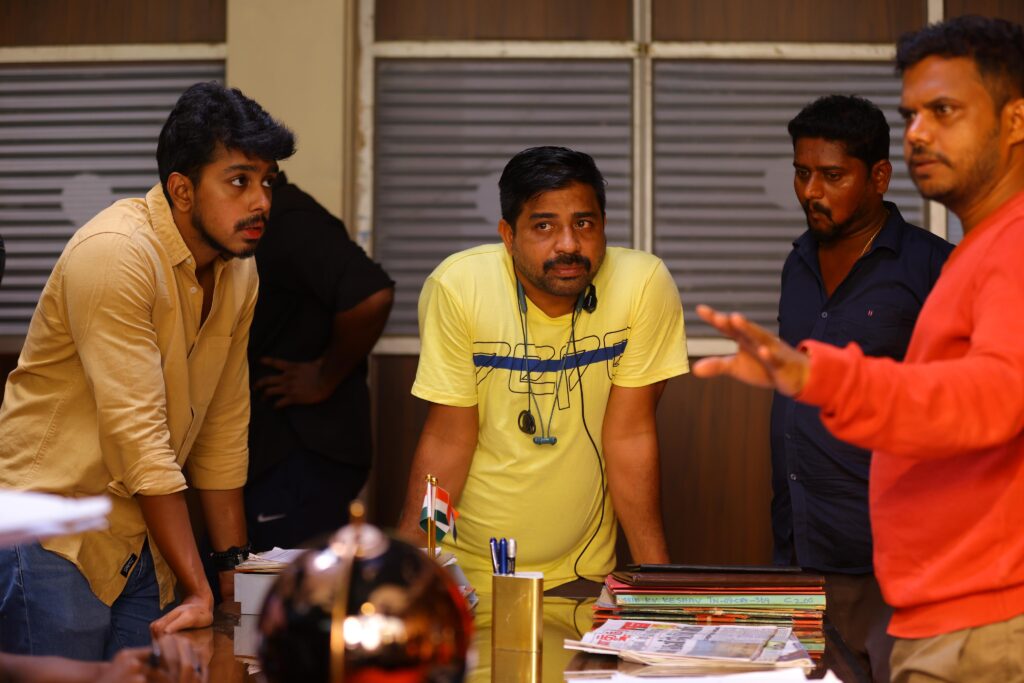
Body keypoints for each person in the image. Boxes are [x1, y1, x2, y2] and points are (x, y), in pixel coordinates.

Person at [693, 15, 1024, 682]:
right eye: (911, 115)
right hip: (917, 593)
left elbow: (995, 396)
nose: (919, 133)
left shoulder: (1008, 246)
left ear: (1016, 120)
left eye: (944, 111)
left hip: (977, 621)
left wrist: (823, 377)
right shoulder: (985, 247)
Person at [0, 81, 295, 659]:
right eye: (239, 181)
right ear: (182, 190)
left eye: (268, 182)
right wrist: (197, 586)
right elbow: (138, 438)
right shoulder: (117, 252)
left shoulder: (239, 271)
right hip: (54, 536)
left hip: (147, 535)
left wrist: (232, 572)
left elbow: (222, 429)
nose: (261, 200)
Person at [396, 146, 689, 591]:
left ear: (604, 225)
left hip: (581, 575)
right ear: (508, 235)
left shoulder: (643, 284)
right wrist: (411, 563)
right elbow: (448, 441)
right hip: (469, 572)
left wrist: (659, 584)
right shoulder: (459, 287)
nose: (568, 245)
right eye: (544, 226)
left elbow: (629, 437)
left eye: (584, 224)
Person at [775, 94, 952, 682]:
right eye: (801, 172)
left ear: (879, 177)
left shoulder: (935, 270)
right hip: (800, 547)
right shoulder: (797, 263)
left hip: (889, 558)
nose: (810, 191)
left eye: (832, 176)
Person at [245, 174, 394, 551]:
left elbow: (371, 295)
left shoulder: (288, 218)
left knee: (289, 582)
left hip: (299, 450)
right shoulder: (255, 219)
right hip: (272, 449)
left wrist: (325, 376)